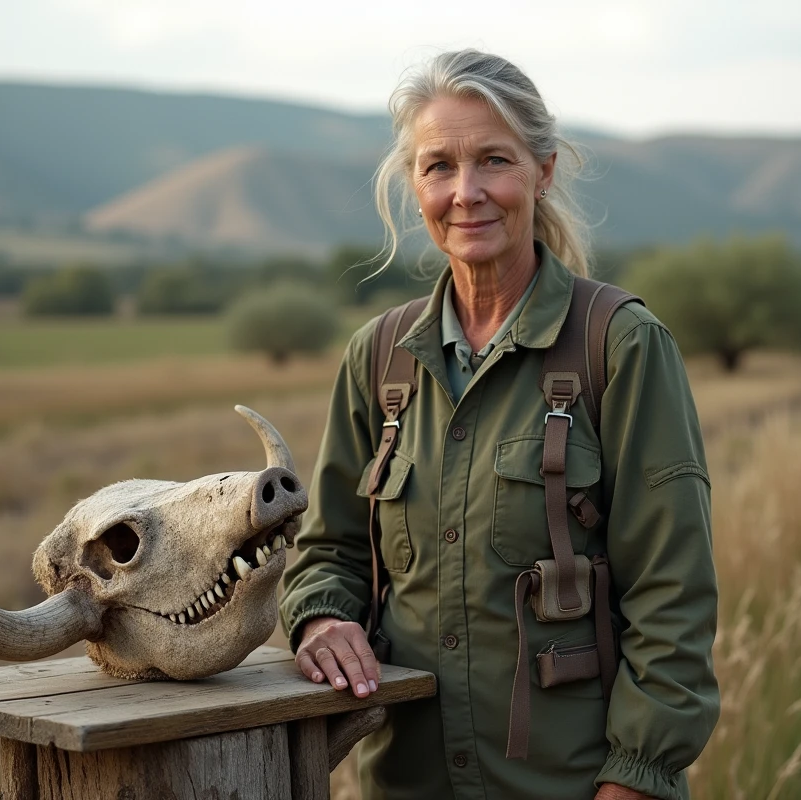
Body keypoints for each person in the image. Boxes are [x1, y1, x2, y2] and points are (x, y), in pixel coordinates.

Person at [280, 49, 718, 800]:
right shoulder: (380, 359)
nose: (467, 192)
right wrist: (320, 621)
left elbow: (672, 593)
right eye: (438, 166)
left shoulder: (618, 343)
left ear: (543, 171)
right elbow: (329, 552)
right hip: (410, 783)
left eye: (494, 160)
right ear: (413, 184)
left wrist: (636, 780)